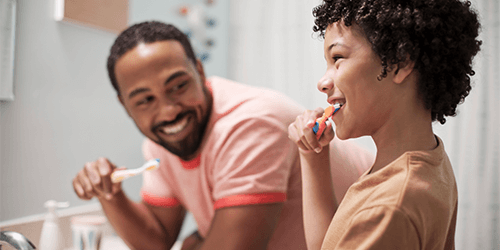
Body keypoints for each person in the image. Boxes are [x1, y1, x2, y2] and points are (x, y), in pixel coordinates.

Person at [72, 21, 374, 250]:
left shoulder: (251, 123)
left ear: (199, 73)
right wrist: (110, 195)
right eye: (145, 100)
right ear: (125, 105)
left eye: (178, 86)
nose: (167, 112)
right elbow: (158, 238)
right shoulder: (160, 143)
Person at [288, 0, 481, 250]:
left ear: (399, 63)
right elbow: (329, 244)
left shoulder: (389, 209)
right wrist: (312, 155)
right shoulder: (430, 161)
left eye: (338, 58)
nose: (323, 82)